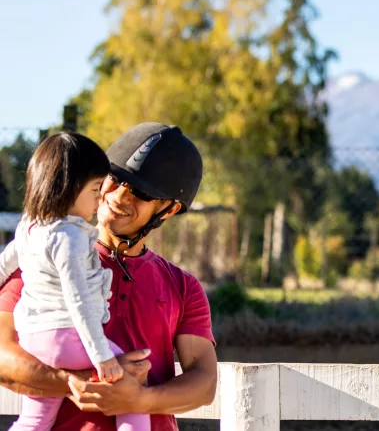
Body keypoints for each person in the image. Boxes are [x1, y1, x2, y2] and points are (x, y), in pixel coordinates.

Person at [0, 123, 217, 430]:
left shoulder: (184, 287)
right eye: (114, 179)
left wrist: (138, 400)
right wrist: (75, 382)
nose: (118, 196)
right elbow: (2, 357)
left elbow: (204, 383)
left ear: (167, 210)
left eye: (140, 192)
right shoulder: (40, 257)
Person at [0, 132, 149, 431]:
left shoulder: (29, 226)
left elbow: (4, 266)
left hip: (34, 339)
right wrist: (102, 356)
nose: (100, 198)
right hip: (66, 337)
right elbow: (78, 301)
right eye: (95, 188)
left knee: (35, 419)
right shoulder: (70, 237)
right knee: (131, 394)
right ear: (68, 188)